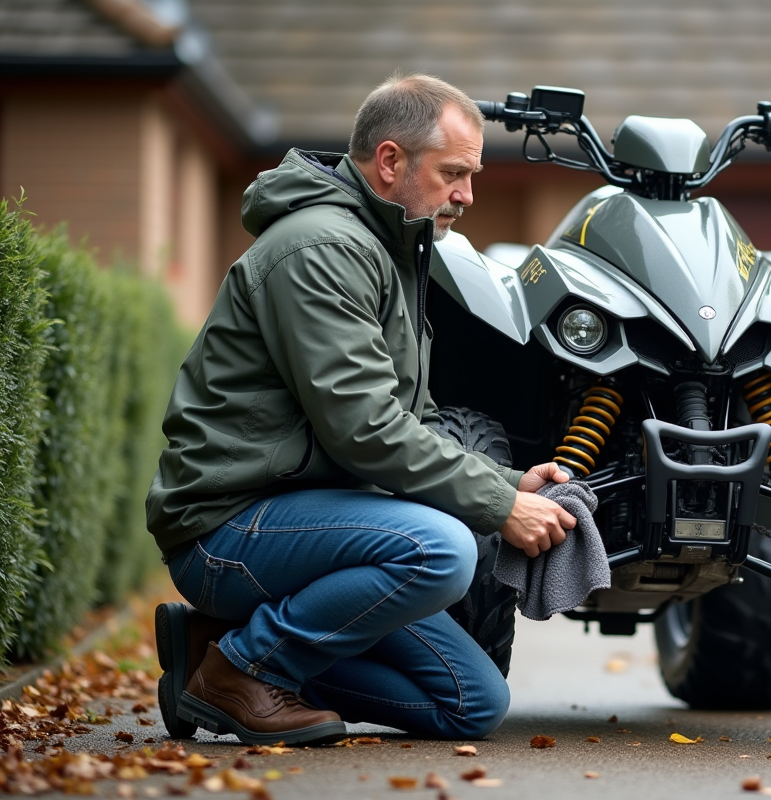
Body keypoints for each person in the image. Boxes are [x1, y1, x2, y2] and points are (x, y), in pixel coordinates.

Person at [146, 74, 577, 746]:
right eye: (454, 173)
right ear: (389, 161)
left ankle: (218, 648)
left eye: (472, 175)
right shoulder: (323, 248)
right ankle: (242, 669)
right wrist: (498, 507)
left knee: (472, 704)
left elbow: (413, 414)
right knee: (441, 550)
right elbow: (365, 429)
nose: (467, 194)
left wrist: (508, 483)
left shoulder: (390, 248)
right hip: (229, 525)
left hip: (310, 524)